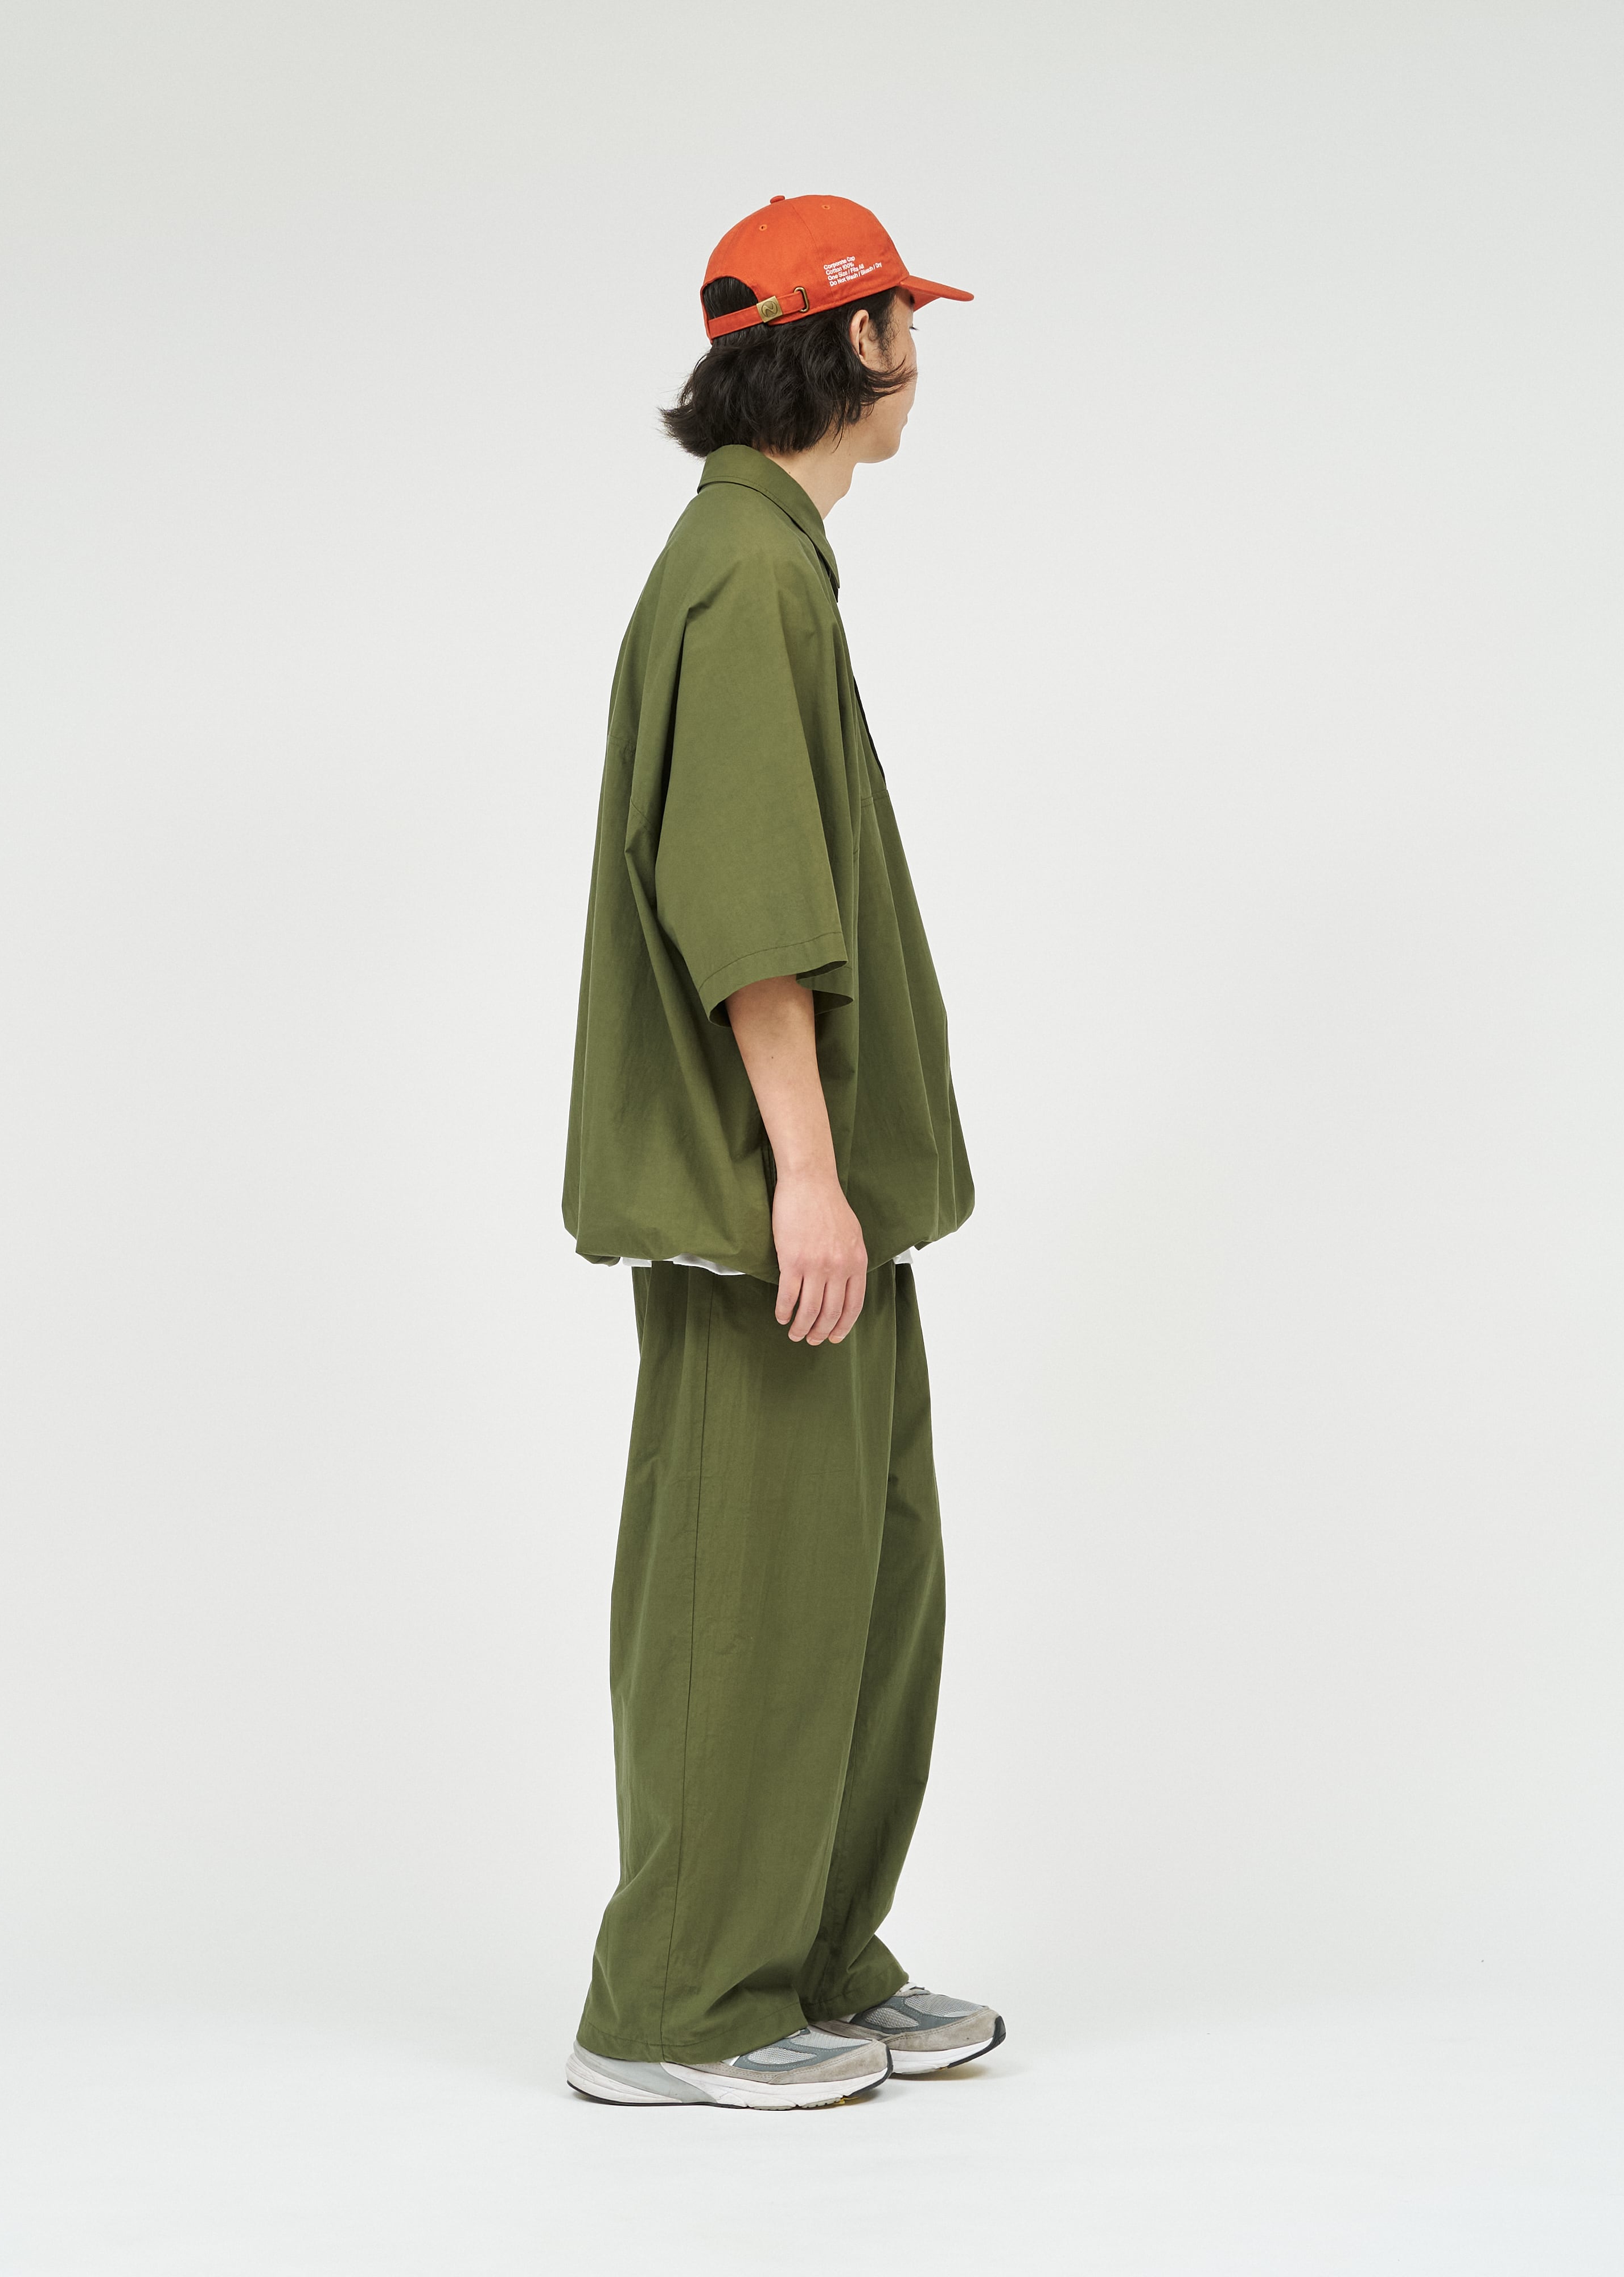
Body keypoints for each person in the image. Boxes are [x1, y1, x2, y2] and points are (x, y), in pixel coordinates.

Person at [560, 193, 999, 2110]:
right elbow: (746, 910)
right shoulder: (742, 578)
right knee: (747, 1592)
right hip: (770, 1206)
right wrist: (802, 1178)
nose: (920, 355)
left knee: (865, 1584)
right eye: (906, 319)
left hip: (828, 1205)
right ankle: (683, 2004)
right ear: (854, 344)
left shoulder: (772, 561)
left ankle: (814, 1956)